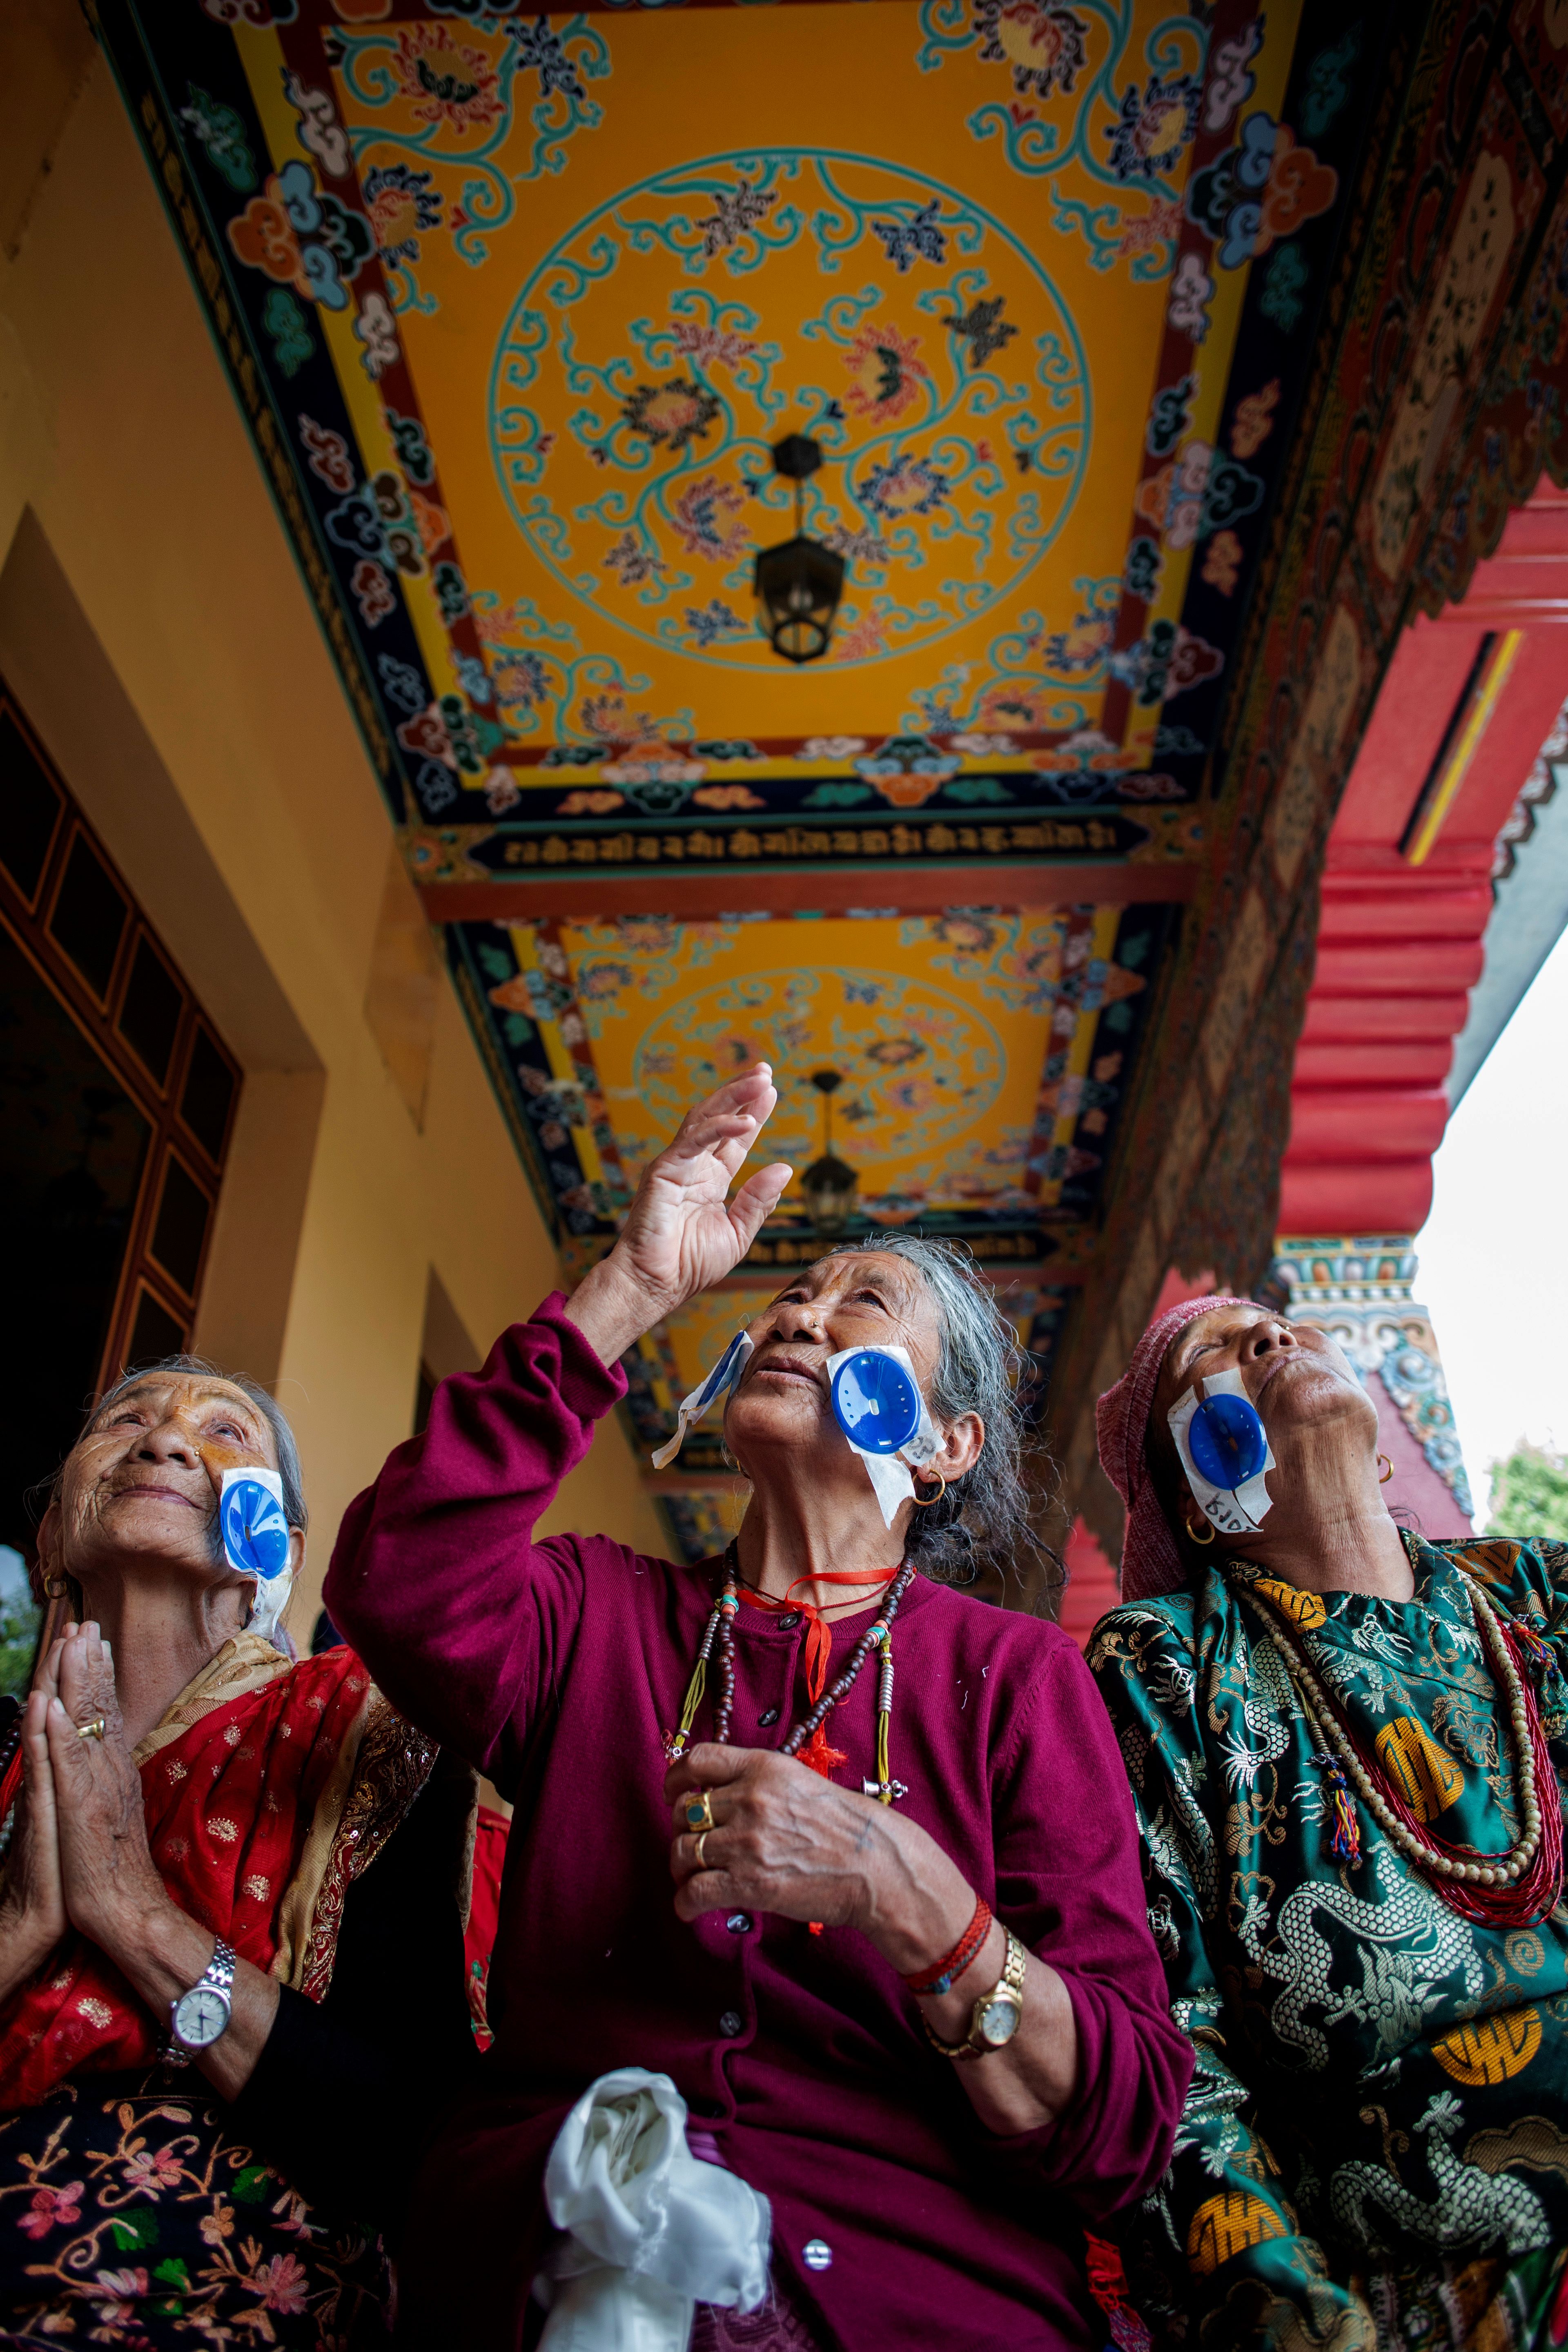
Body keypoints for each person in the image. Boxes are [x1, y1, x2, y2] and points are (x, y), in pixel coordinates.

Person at [323, 1064, 1191, 2351]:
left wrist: (914, 1901)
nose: (803, 1315)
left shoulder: (1016, 1677)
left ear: (948, 1446)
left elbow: (1120, 2131)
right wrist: (631, 1285)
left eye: (863, 1304)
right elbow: (394, 1583)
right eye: (790, 1297)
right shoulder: (594, 1610)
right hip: (563, 2238)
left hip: (916, 2282)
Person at [1089, 1294, 1568, 2352]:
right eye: (1207, 1359)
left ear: (1386, 1457)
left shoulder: (1541, 1596)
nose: (1270, 1340)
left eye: (1282, 1325)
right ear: (1197, 1510)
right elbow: (1175, 2060)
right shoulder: (1167, 1669)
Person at [0, 1356, 477, 2348]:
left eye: (224, 1434)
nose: (167, 1439)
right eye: (126, 1419)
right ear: (52, 1536)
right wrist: (27, 1921)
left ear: (278, 1552)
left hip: (219, 2279)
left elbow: (410, 2138)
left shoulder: (365, 1740)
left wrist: (133, 1915)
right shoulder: (0, 1750)